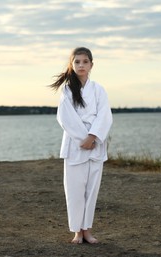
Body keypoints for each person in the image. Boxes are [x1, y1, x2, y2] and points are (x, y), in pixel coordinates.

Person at [49, 47, 113, 244]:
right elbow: (65, 117)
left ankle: (88, 231)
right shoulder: (67, 90)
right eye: (77, 62)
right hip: (76, 145)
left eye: (85, 62)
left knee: (91, 191)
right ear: (72, 65)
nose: (81, 65)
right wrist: (83, 138)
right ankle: (77, 231)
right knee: (75, 190)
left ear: (91, 65)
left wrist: (93, 136)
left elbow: (105, 115)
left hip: (95, 144)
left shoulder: (99, 90)